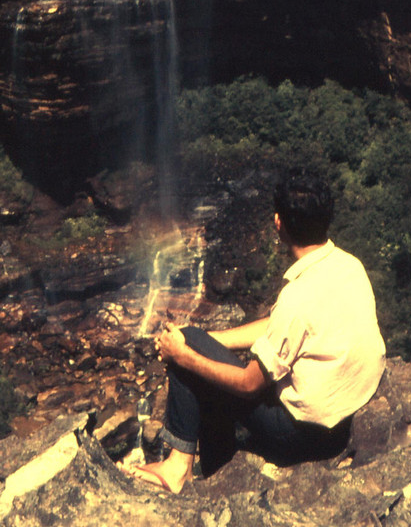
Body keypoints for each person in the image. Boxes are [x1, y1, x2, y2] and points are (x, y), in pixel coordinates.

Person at [121, 170, 386, 494]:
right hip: (343, 416)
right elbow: (281, 327)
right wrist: (207, 341)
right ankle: (218, 469)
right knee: (192, 340)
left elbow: (248, 385)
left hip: (302, 435)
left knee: (187, 353)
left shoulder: (297, 299)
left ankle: (178, 467)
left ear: (279, 224)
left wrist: (185, 355)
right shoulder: (348, 266)